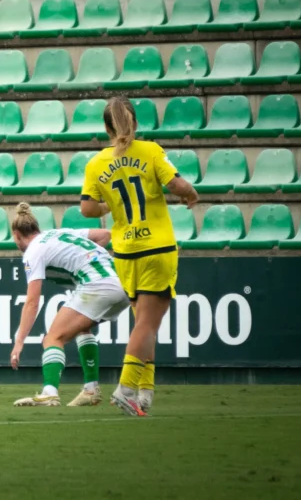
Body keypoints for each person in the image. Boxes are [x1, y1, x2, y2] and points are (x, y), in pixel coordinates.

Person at [80, 97, 199, 416]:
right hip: (157, 248)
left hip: (126, 252)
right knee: (147, 324)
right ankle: (126, 388)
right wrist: (190, 193)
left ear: (107, 128)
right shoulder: (150, 150)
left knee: (143, 323)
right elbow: (175, 184)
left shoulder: (96, 163)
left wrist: (110, 205)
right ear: (134, 123)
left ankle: (145, 393)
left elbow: (87, 208)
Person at [8, 204, 130, 407]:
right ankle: (91, 389)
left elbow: (32, 302)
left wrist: (19, 340)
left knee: (53, 338)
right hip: (121, 284)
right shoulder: (61, 233)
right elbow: (105, 235)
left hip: (97, 285)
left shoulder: (32, 252)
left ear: (16, 234)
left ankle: (49, 392)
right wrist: (91, 258)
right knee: (83, 329)